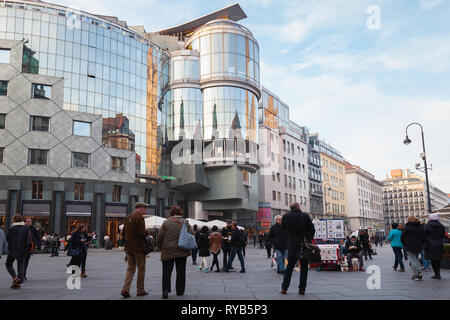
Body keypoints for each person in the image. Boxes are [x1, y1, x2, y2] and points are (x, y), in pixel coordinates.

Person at [157, 205, 194, 299]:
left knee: (166, 272)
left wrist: (161, 247)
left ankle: (165, 290)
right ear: (180, 212)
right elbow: (192, 234)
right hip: (182, 250)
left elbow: (159, 237)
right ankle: (180, 291)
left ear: (171, 213)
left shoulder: (166, 222)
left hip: (168, 251)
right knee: (181, 271)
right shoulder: (185, 222)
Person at [281, 202, 315, 295]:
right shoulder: (304, 216)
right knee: (304, 268)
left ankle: (284, 288)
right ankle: (302, 289)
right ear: (298, 207)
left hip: (292, 245)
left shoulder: (285, 217)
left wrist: (289, 238)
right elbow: (312, 229)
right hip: (303, 245)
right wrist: (308, 238)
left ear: (291, 208)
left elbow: (283, 230)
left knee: (289, 266)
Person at [120, 202, 151, 298]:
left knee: (130, 268)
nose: (146, 210)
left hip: (129, 248)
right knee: (141, 268)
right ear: (140, 208)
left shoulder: (128, 217)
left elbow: (124, 233)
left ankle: (125, 289)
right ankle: (140, 290)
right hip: (138, 248)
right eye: (145, 208)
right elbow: (142, 232)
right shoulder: (139, 217)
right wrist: (148, 232)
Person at [5, 215, 30, 289]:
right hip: (22, 250)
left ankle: (14, 277)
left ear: (14, 220)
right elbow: (27, 240)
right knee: (21, 264)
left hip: (13, 249)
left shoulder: (11, 229)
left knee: (8, 264)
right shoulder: (26, 228)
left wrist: (9, 248)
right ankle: (20, 279)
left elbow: (7, 239)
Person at [401, 216, 425, 280]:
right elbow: (424, 237)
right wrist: (422, 244)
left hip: (410, 245)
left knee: (413, 260)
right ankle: (419, 273)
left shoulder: (407, 228)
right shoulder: (420, 227)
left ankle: (416, 275)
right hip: (418, 245)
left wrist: (405, 244)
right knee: (416, 259)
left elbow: (402, 237)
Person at [424, 214, 446, 279]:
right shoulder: (442, 226)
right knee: (437, 259)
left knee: (432, 259)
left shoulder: (426, 226)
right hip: (439, 243)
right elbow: (443, 235)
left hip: (429, 244)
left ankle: (436, 274)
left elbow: (424, 235)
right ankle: (438, 273)